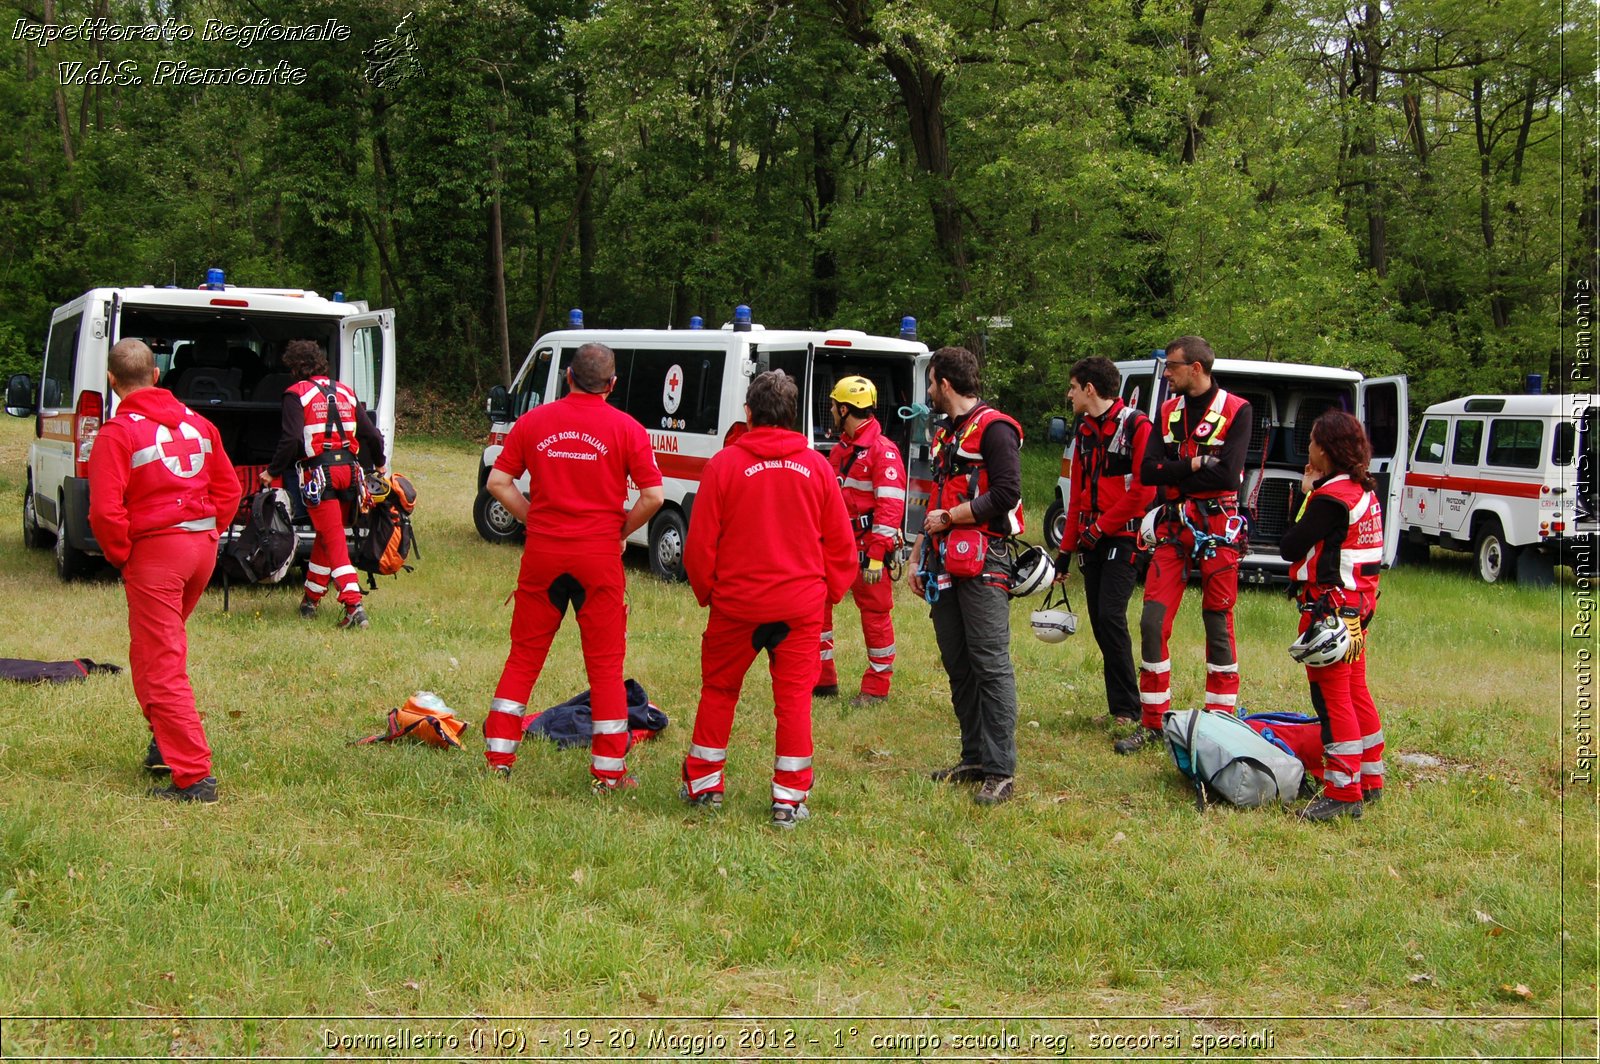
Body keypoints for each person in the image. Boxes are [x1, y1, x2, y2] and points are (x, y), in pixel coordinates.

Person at [482, 343, 664, 791]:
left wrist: (534, 519)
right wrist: (619, 532)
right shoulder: (627, 429)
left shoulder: (533, 422)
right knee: (604, 667)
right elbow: (654, 497)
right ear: (612, 384)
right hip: (598, 558)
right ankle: (608, 773)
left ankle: (498, 759)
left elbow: (498, 482)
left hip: (543, 555)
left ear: (567, 376)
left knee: (524, 656)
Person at [682, 371, 857, 827]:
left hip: (736, 606)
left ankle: (703, 787)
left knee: (719, 692)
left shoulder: (724, 465)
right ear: (794, 416)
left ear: (748, 414)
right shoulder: (818, 467)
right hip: (798, 609)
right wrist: (827, 595)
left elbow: (700, 545)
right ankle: (789, 799)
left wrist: (709, 594)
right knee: (795, 701)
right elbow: (841, 545)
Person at [88, 339, 242, 803]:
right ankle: (165, 746)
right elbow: (230, 491)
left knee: (161, 664)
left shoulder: (117, 433)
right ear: (157, 375)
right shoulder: (199, 424)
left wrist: (123, 556)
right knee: (153, 652)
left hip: (157, 555)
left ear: (112, 382)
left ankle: (195, 778)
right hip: (199, 550)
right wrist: (208, 535)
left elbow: (104, 513)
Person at [1122, 335, 1254, 753]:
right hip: (1174, 527)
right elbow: (1147, 471)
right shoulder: (1166, 411)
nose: (1167, 374)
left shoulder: (1237, 410)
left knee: (1218, 620)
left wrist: (1175, 473)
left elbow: (1229, 476)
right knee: (1151, 621)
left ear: (1196, 368)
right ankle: (1153, 721)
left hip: (1219, 529)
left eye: (1173, 366)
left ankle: (1221, 721)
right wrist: (1196, 464)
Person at [909, 346, 1025, 805]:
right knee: (959, 663)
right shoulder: (947, 431)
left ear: (945, 383)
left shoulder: (995, 429)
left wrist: (953, 517)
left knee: (990, 664)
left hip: (984, 560)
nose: (930, 391)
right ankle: (975, 756)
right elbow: (935, 494)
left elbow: (1007, 492)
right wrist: (920, 550)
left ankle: (1000, 771)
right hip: (943, 560)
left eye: (932, 382)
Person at [1279, 410, 1386, 821]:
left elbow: (1292, 544)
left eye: (1310, 441)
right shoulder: (1363, 491)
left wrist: (1308, 491)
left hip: (1330, 611)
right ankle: (1370, 779)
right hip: (1358, 608)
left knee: (1332, 698)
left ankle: (1344, 792)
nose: (1307, 448)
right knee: (1356, 692)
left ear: (1325, 449)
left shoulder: (1330, 498)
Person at [1054, 357, 1156, 737]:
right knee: (1099, 620)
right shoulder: (1084, 431)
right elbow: (1078, 495)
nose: (1070, 394)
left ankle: (1131, 708)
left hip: (1124, 535)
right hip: (1092, 536)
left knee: (1112, 616)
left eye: (1073, 388)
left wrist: (1100, 527)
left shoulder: (1137, 426)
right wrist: (1065, 552)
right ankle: (1122, 706)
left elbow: (1143, 491)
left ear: (1090, 389)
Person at [262, 339, 387, 630]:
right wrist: (380, 463)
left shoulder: (296, 395)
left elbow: (291, 439)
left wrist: (272, 471)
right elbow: (373, 435)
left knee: (335, 542)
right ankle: (310, 599)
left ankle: (354, 605)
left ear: (294, 368)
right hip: (350, 474)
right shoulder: (345, 391)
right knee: (326, 537)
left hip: (319, 475)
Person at [815, 375, 907, 708]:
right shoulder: (841, 450)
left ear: (844, 408)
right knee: (817, 609)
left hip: (869, 551)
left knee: (875, 615)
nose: (830, 411)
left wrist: (878, 555)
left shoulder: (883, 452)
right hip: (837, 548)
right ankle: (822, 679)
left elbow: (890, 505)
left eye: (833, 407)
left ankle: (876, 687)